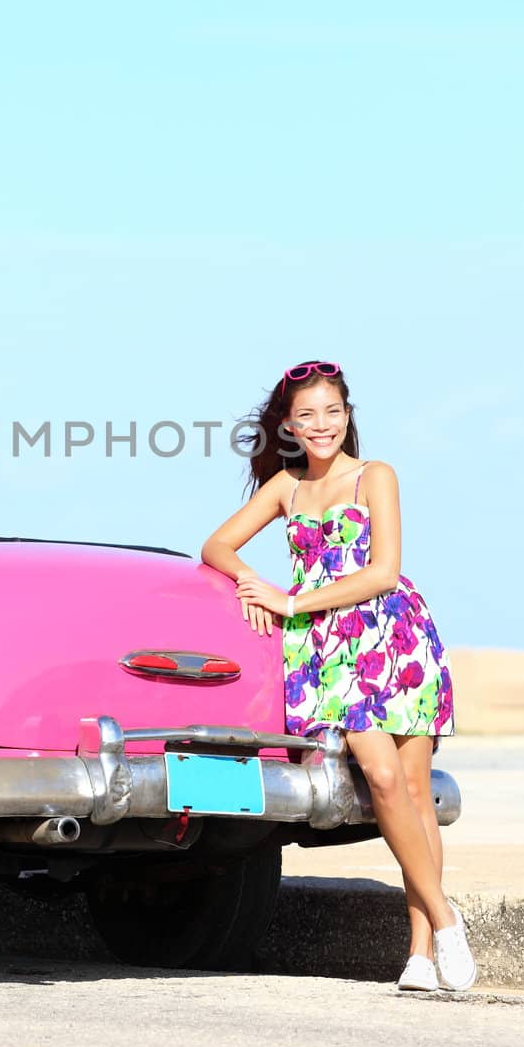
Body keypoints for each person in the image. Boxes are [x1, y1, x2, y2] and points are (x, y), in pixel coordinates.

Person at [200, 359, 476, 993]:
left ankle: (420, 954)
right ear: (289, 427)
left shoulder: (374, 476)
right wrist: (254, 585)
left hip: (394, 636)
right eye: (306, 416)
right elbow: (216, 545)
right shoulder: (285, 487)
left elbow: (383, 572)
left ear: (347, 416)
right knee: (379, 779)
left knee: (412, 790)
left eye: (332, 412)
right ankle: (445, 914)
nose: (320, 425)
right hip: (329, 650)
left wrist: (291, 601)